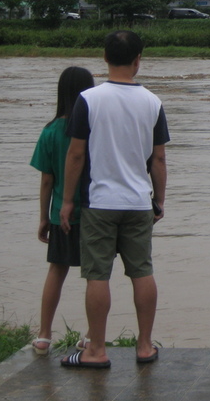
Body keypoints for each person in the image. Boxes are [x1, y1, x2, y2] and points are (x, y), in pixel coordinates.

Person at [58, 30, 169, 369]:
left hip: (99, 201)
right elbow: (159, 160)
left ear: (104, 58)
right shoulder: (152, 102)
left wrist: (66, 201)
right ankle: (145, 345)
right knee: (142, 271)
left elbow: (76, 155)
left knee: (97, 275)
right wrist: (159, 201)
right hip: (138, 202)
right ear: (138, 61)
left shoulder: (88, 100)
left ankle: (96, 350)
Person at [29, 66, 95, 356]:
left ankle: (44, 335)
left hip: (60, 214)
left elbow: (46, 180)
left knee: (56, 270)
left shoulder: (51, 130)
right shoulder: (95, 128)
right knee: (97, 274)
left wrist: (44, 217)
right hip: (94, 212)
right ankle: (92, 336)